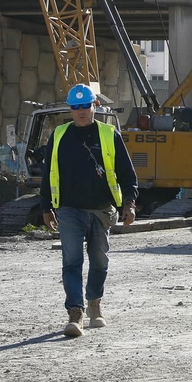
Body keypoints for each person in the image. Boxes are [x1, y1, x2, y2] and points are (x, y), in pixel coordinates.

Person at [40, 84, 138, 338]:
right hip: (69, 209)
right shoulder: (59, 135)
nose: (81, 111)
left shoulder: (109, 134)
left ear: (95, 106)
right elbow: (48, 173)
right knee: (71, 261)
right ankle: (76, 312)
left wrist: (129, 203)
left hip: (101, 209)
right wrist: (46, 207)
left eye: (85, 106)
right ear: (70, 110)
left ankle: (94, 301)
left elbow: (128, 174)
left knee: (99, 261)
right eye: (76, 107)